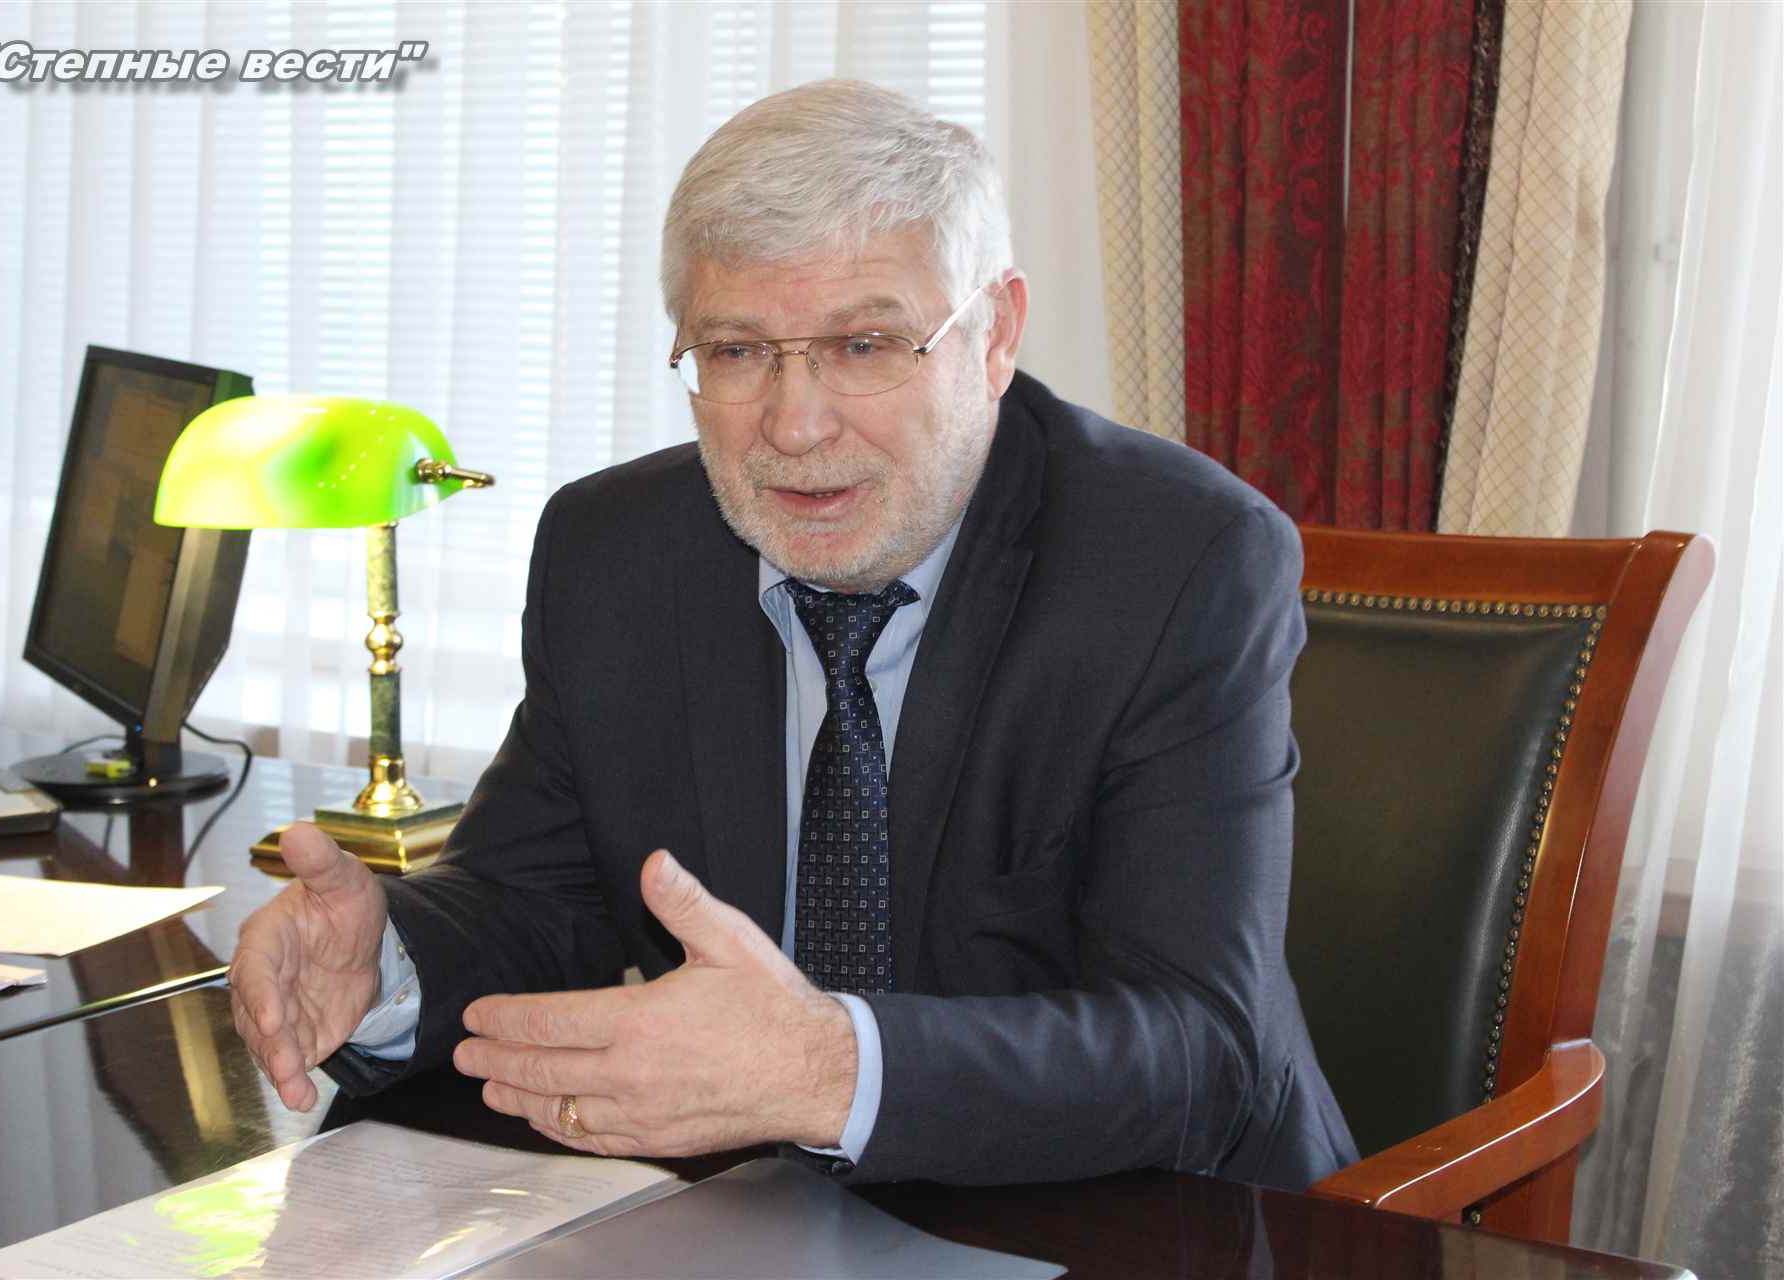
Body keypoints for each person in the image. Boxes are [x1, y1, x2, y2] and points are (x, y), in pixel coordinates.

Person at [230, 78, 1357, 1189]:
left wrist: (827, 1070)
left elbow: (1201, 1045)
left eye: (864, 344)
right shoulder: (617, 551)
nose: (794, 425)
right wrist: (386, 963)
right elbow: (537, 899)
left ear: (996, 333)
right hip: (751, 1215)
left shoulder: (1178, 560)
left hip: (1148, 1218)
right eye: (736, 351)